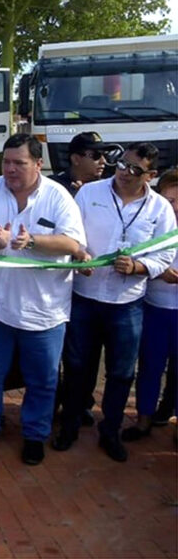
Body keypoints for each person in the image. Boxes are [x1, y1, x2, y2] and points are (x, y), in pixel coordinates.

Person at [0, 134, 87, 466]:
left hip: (43, 307)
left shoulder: (58, 196)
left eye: (20, 163)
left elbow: (73, 243)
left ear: (38, 164)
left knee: (42, 377)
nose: (11, 170)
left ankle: (35, 434)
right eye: (7, 163)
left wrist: (33, 242)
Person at [54, 144, 176, 461]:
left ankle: (110, 430)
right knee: (78, 366)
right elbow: (71, 232)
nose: (124, 172)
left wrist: (139, 267)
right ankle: (69, 425)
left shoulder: (160, 209)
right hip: (86, 296)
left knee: (122, 372)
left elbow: (164, 252)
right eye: (122, 164)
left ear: (151, 174)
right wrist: (78, 256)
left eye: (135, 170)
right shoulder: (90, 193)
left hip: (128, 302)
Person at [124, 168, 178, 442]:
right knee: (150, 367)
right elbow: (138, 258)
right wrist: (156, 270)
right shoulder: (155, 226)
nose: (174, 207)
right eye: (168, 200)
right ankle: (143, 418)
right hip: (154, 308)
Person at [49, 132, 113, 197]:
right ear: (76, 159)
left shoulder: (108, 188)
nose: (103, 161)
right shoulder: (53, 186)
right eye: (96, 155)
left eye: (105, 155)